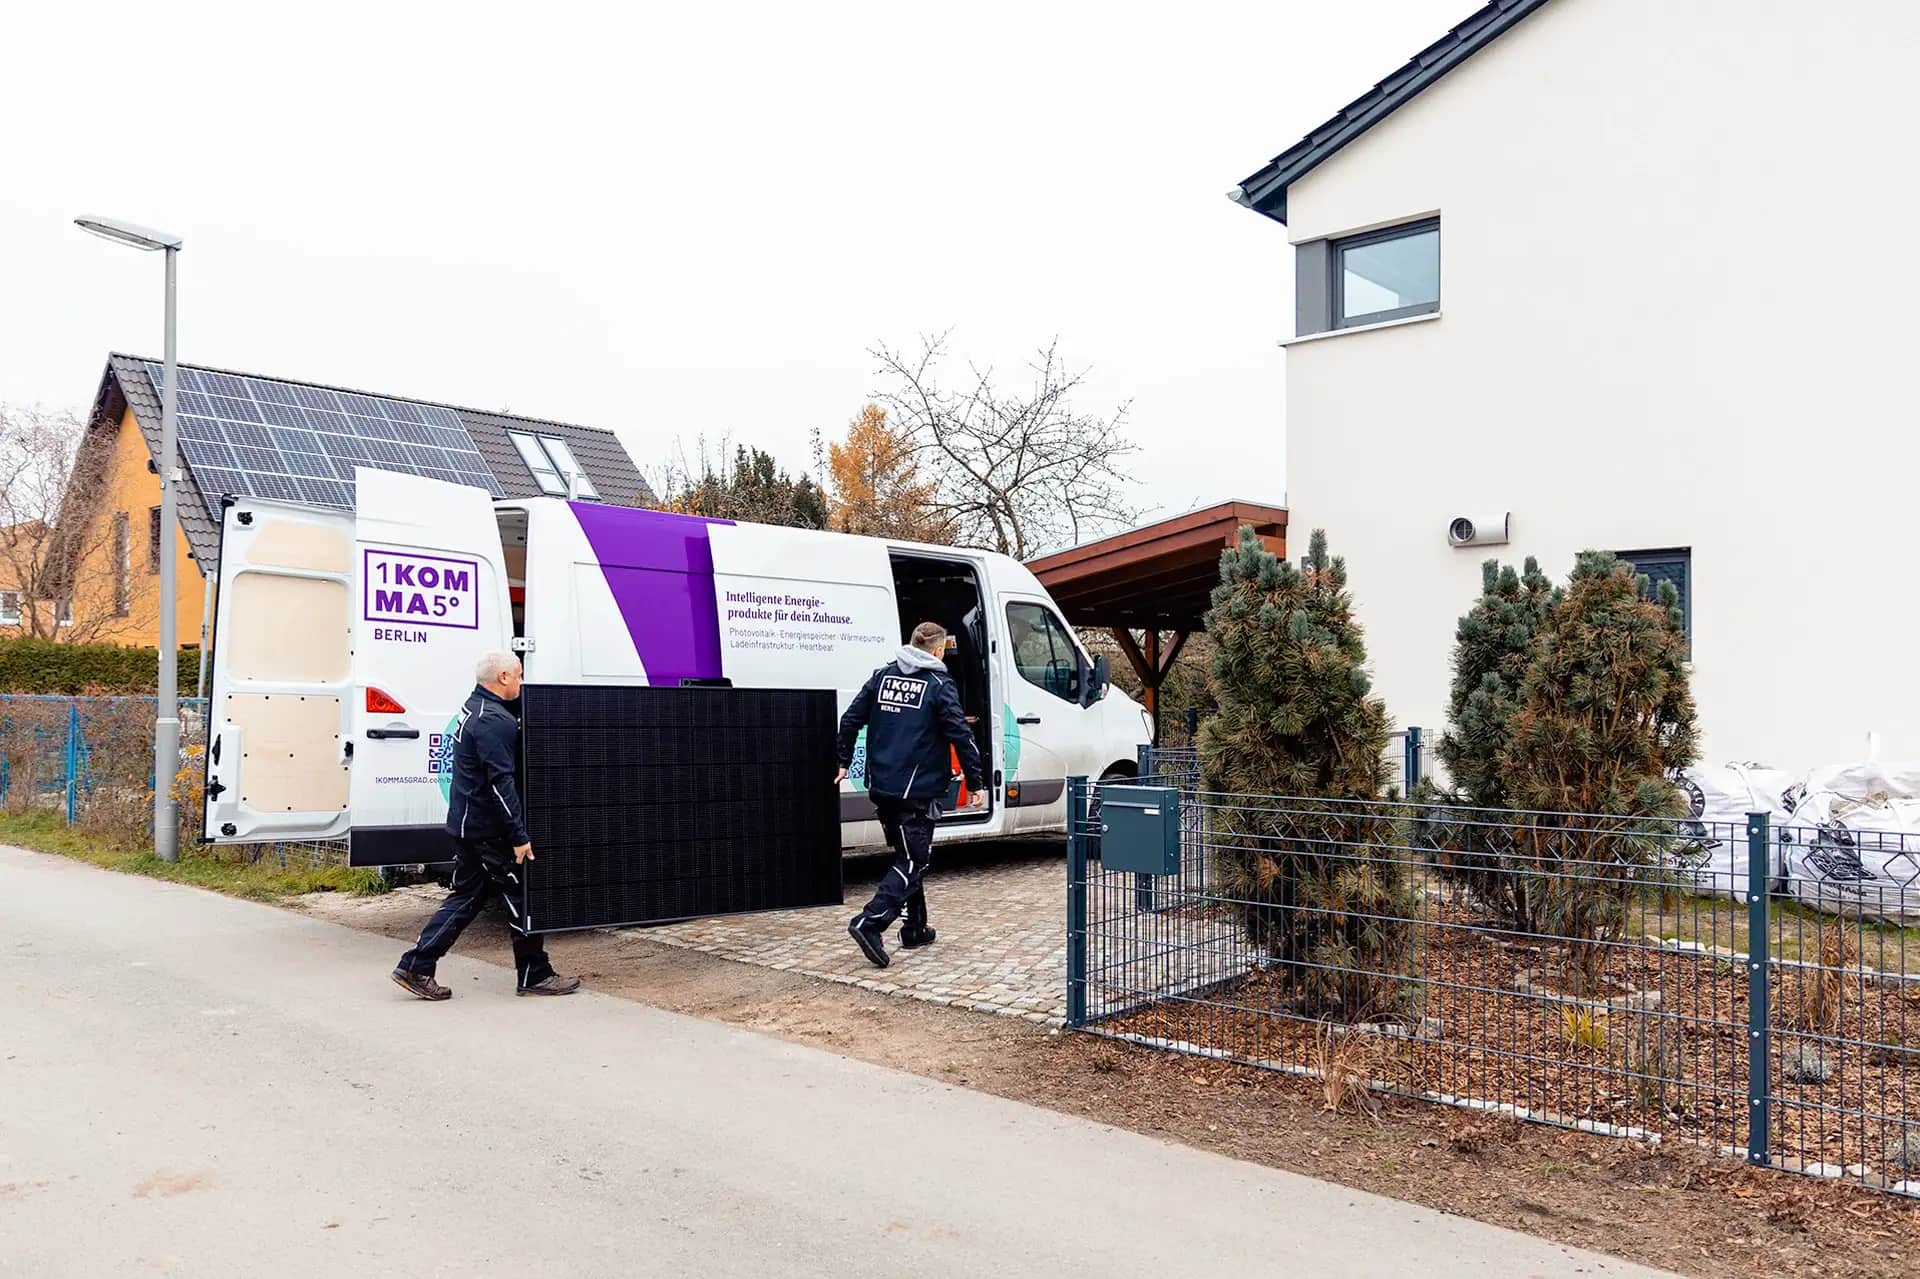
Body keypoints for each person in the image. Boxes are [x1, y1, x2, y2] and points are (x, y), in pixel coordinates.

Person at [391, 651, 581, 1000]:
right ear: (504, 677)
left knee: (467, 896)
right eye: (519, 675)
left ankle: (416, 965)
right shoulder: (493, 721)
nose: (523, 682)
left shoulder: (476, 708)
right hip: (487, 831)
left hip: (468, 824)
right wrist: (519, 836)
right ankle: (535, 974)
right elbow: (500, 784)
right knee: (522, 896)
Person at [836, 621, 986, 968]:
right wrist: (976, 783)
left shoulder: (882, 676)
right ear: (938, 651)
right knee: (915, 860)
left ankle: (915, 928)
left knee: (907, 854)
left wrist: (843, 760)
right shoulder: (938, 684)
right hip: (916, 790)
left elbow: (850, 719)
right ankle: (870, 921)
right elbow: (961, 735)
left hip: (882, 786)